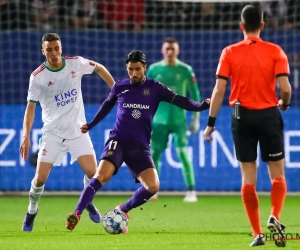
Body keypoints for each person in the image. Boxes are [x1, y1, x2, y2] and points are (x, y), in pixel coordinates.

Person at [65, 50, 210, 232]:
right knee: (101, 176)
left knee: (153, 186)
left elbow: (180, 100)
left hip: (140, 147)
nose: (134, 74)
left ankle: (122, 210)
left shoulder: (156, 88)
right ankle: (76, 213)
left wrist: (201, 106)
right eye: (130, 69)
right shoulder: (120, 87)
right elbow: (106, 105)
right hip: (118, 141)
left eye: (137, 69)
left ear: (145, 68)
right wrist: (91, 124)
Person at [203, 5, 291, 247]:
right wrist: (285, 102)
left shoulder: (229, 52)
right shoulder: (276, 51)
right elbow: (285, 89)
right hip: (270, 115)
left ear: (241, 26)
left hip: (242, 117)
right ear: (263, 25)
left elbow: (219, 89)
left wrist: (210, 124)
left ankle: (258, 234)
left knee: (248, 177)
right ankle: (275, 215)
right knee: (277, 174)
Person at [20, 33, 115, 232]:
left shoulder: (75, 64)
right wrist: (26, 135)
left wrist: (114, 89)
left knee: (94, 174)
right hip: (52, 134)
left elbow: (99, 68)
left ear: (61, 48)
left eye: (57, 48)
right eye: (49, 49)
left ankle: (86, 199)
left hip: (78, 131)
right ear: (43, 51)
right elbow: (31, 108)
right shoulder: (37, 77)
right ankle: (32, 210)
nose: (54, 53)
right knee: (40, 179)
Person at [146, 37, 201, 202]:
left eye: (173, 49)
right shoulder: (154, 70)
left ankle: (191, 191)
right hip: (158, 121)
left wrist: (196, 118)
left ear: (178, 51)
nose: (170, 52)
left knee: (183, 153)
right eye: (167, 49)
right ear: (163, 51)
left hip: (179, 121)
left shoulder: (186, 70)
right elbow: (145, 94)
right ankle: (152, 189)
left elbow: (195, 93)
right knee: (154, 154)